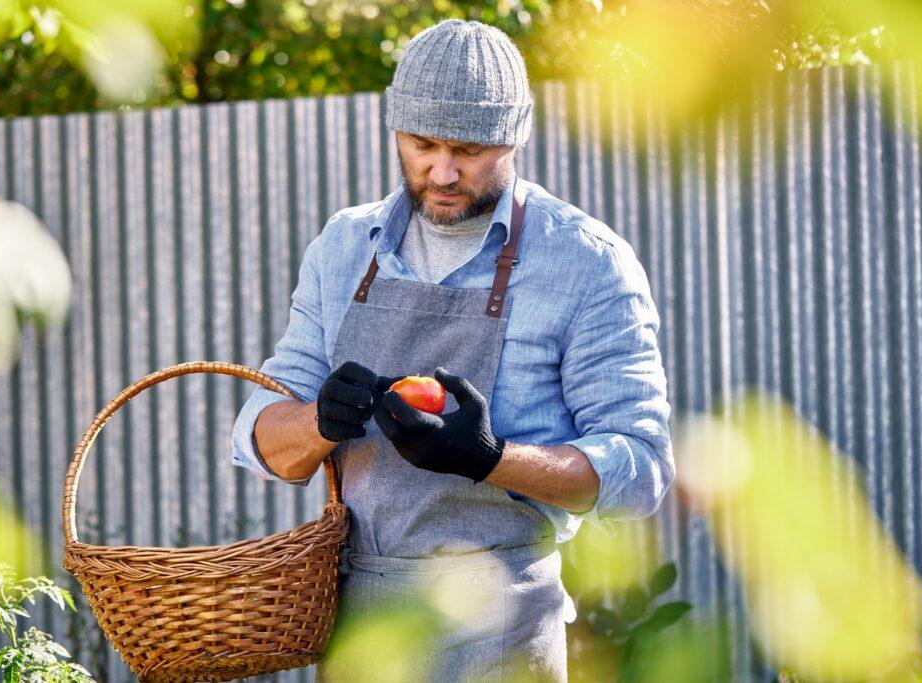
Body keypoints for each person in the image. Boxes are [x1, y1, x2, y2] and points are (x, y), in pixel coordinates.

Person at [231, 18, 674, 682]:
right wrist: (317, 420)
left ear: (515, 136)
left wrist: (490, 458)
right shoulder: (347, 246)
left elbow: (640, 465)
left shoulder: (587, 262)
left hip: (506, 626)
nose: (442, 171)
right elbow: (259, 439)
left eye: (468, 148)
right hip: (368, 628)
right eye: (423, 143)